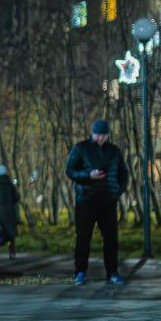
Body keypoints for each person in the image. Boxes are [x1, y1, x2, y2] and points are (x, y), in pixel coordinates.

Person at [65, 119, 129, 286]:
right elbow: (70, 170)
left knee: (111, 239)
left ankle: (112, 272)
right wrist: (88, 175)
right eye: (98, 134)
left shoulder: (114, 151)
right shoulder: (81, 149)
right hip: (86, 201)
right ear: (92, 133)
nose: (100, 138)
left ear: (108, 135)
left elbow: (124, 174)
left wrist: (117, 191)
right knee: (83, 238)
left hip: (108, 202)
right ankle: (80, 272)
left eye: (104, 135)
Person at [0, 165, 19, 260]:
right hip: (10, 213)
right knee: (11, 234)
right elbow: (17, 197)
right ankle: (12, 252)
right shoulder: (9, 184)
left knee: (0, 231)